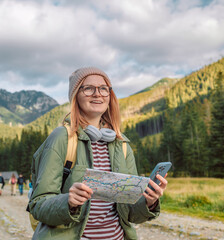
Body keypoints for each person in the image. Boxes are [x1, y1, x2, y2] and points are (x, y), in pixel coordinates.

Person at [28, 67, 168, 239]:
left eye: (103, 88)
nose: (97, 94)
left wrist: (149, 201)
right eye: (88, 88)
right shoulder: (62, 138)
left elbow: (131, 214)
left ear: (110, 96)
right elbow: (38, 204)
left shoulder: (121, 144)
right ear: (75, 96)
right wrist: (68, 202)